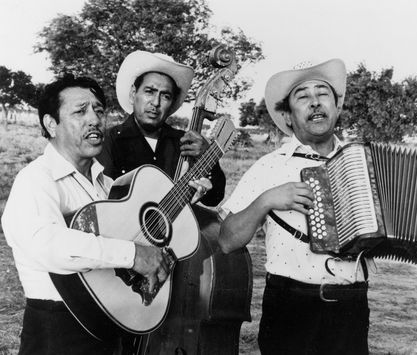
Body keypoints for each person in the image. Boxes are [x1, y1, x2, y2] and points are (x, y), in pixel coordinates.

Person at [0, 75, 181, 355]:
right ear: (51, 124)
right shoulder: (36, 179)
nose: (94, 119)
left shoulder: (107, 185)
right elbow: (48, 246)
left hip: (108, 331)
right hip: (58, 333)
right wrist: (134, 254)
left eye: (98, 110)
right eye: (80, 111)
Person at [218, 59, 372, 355]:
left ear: (337, 107)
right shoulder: (269, 166)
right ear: (288, 116)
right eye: (302, 97)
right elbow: (226, 240)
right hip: (291, 306)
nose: (315, 103)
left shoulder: (364, 163)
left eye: (323, 94)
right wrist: (266, 201)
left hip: (351, 305)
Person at [98, 50, 226, 206]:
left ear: (172, 102)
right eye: (149, 92)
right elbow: (104, 201)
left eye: (165, 96)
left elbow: (214, 199)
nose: (156, 103)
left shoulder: (185, 142)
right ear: (133, 94)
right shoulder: (109, 140)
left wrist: (208, 158)